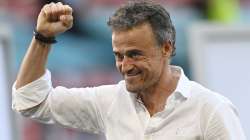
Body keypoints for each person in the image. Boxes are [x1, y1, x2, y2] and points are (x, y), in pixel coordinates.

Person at [12, 1, 246, 140]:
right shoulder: (109, 101)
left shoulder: (211, 109)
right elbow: (31, 102)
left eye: (135, 54)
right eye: (118, 55)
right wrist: (43, 37)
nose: (125, 66)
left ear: (166, 48)